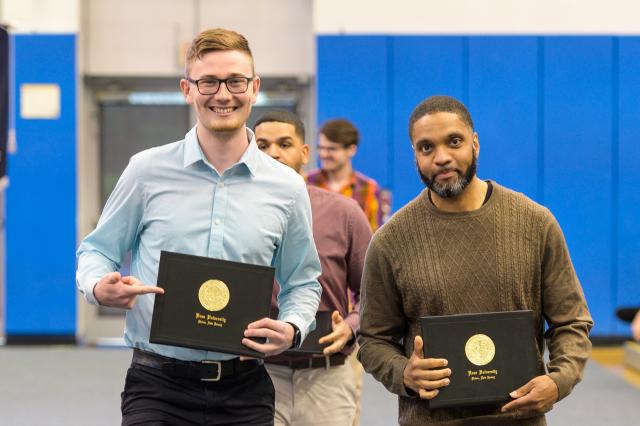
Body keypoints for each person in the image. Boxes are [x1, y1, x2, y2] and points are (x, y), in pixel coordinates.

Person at [76, 29, 322, 426]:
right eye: (208, 81)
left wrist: (293, 328)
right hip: (157, 385)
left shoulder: (287, 187)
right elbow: (97, 250)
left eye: (235, 81)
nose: (223, 94)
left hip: (245, 388)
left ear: (254, 88)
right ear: (187, 89)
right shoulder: (147, 170)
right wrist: (97, 285)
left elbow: (304, 281)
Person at [357, 95, 593, 425]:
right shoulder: (390, 241)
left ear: (475, 143)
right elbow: (372, 340)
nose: (441, 157)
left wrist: (558, 381)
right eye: (426, 148)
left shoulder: (535, 223)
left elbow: (571, 322)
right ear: (415, 156)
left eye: (454, 142)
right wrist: (404, 374)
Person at [253, 110, 372, 426]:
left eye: (284, 143)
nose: (273, 153)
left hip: (327, 375)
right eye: (262, 145)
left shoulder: (344, 212)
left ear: (304, 153)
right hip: (256, 374)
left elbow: (373, 292)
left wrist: (351, 326)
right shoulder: (232, 214)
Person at [306, 118, 388, 231]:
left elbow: (375, 235)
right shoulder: (307, 182)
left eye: (331, 149)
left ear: (351, 150)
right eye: (320, 148)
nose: (323, 154)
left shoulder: (369, 189)